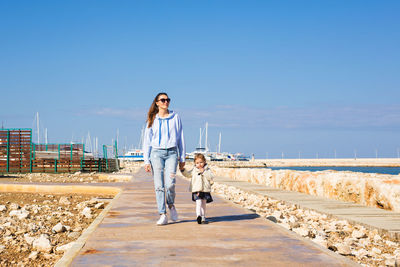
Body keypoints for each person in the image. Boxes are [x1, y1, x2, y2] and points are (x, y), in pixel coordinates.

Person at [143, 92, 185, 225]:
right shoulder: (152, 119)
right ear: (157, 103)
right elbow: (147, 141)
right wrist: (146, 160)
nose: (165, 102)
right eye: (162, 100)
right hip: (156, 154)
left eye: (167, 100)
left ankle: (171, 205)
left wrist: (182, 158)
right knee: (159, 186)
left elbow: (180, 138)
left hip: (172, 153)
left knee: (170, 183)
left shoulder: (175, 117)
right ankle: (162, 214)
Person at [180, 153, 214, 224]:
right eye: (197, 163)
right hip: (197, 190)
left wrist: (204, 172)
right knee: (198, 203)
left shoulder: (207, 170)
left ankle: (203, 216)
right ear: (195, 164)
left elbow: (210, 177)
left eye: (201, 162)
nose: (199, 164)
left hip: (205, 190)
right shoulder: (194, 170)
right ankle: (198, 216)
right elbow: (188, 174)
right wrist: (183, 170)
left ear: (204, 162)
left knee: (203, 204)